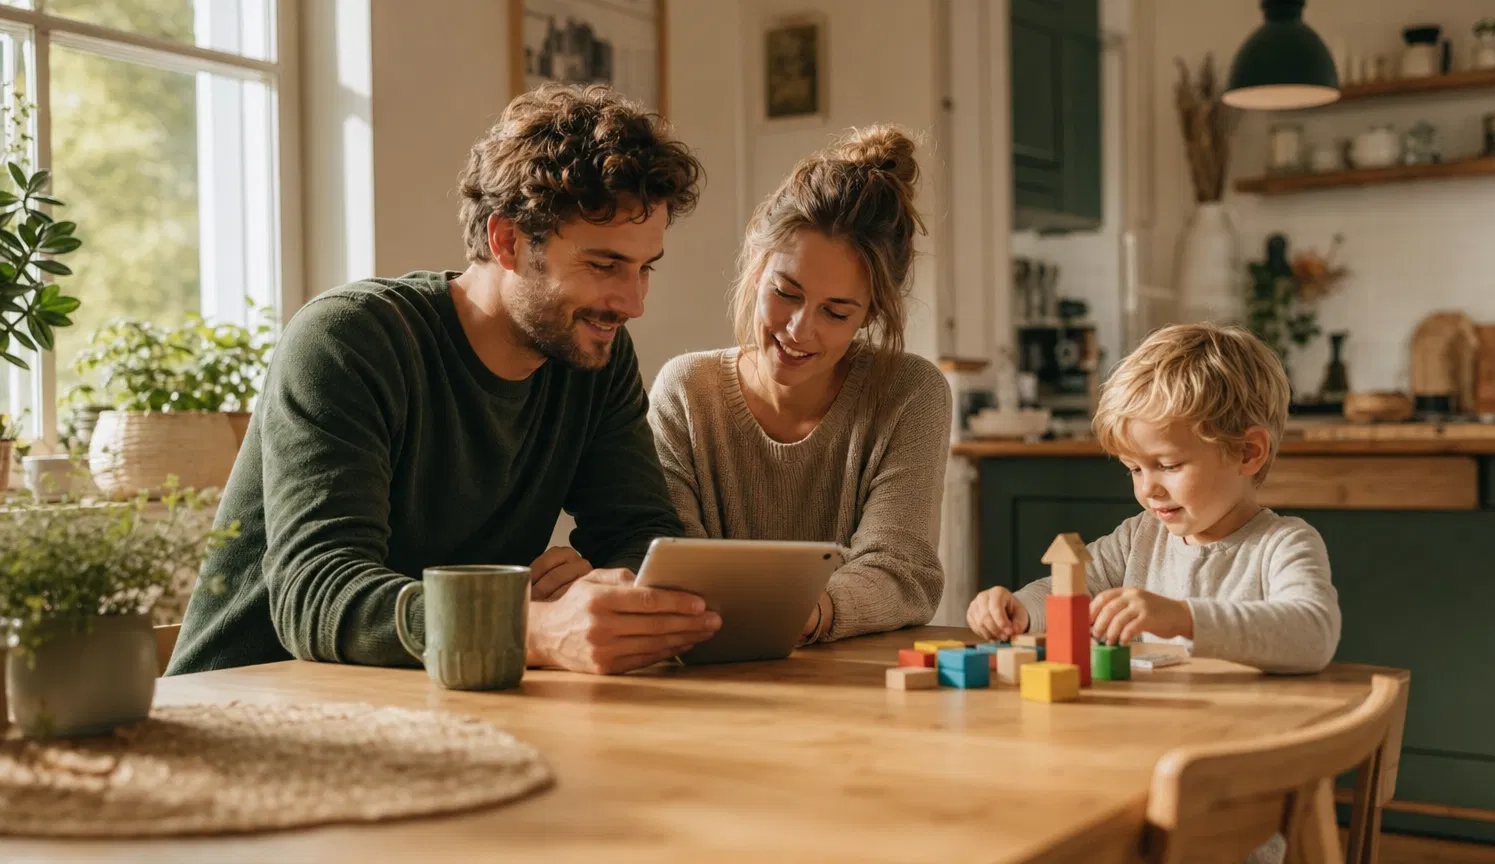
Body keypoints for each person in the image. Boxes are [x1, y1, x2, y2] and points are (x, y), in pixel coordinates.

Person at [169, 84, 720, 677]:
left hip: (438, 703)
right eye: (604, 265)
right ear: (506, 240)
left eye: (644, 269)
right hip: (249, 710)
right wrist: (524, 626)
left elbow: (640, 531)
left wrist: (605, 592)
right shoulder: (349, 340)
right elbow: (317, 597)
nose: (633, 303)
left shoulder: (595, 356)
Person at [647, 125, 951, 644]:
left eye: (835, 312)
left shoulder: (911, 392)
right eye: (786, 293)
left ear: (870, 314)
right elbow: (673, 564)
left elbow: (902, 570)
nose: (798, 330)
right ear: (756, 267)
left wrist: (806, 613)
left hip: (855, 679)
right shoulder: (685, 391)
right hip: (706, 679)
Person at [966, 322, 1342, 680]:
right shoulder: (1137, 539)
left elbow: (1313, 634)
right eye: (1134, 469)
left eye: (1167, 465)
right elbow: (1066, 589)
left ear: (1247, 453)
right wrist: (1019, 610)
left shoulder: (1283, 544)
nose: (1149, 489)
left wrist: (1184, 618)